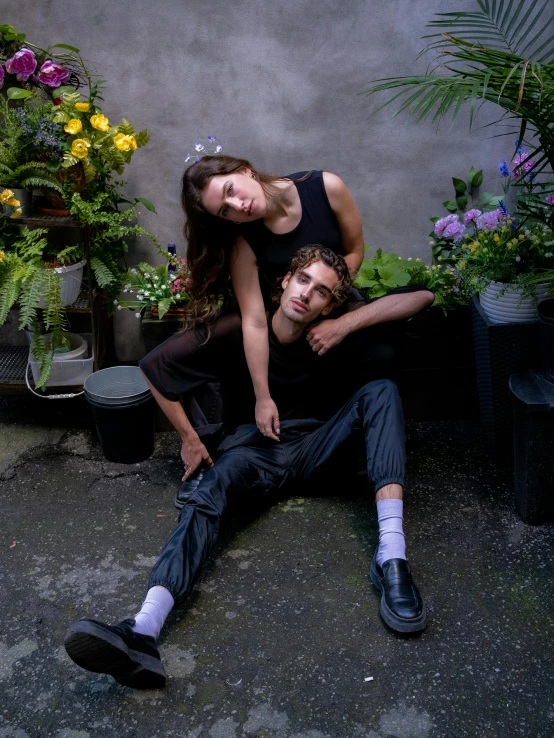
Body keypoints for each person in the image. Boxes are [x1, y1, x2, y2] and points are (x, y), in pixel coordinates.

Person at [64, 246, 427, 691]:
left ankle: (392, 558)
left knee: (382, 391)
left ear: (329, 304)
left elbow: (421, 297)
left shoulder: (331, 325)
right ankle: (142, 629)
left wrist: (345, 322)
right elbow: (154, 366)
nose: (307, 295)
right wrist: (190, 439)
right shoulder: (238, 326)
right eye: (303, 280)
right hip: (256, 451)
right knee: (208, 491)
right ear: (285, 281)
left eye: (321, 293)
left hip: (318, 448)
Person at [139, 156, 434, 502]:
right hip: (278, 326)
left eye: (231, 190)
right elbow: (253, 318)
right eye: (224, 211)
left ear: (244, 170)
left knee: (382, 348)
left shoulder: (326, 188)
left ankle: (360, 438)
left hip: (329, 304)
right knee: (223, 369)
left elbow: (354, 252)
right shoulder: (243, 241)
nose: (237, 207)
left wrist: (335, 315)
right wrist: (262, 398)